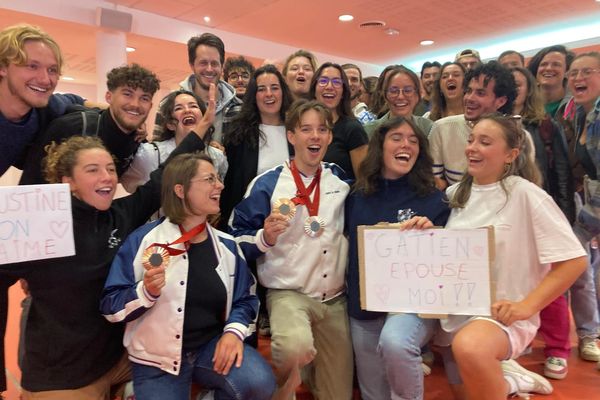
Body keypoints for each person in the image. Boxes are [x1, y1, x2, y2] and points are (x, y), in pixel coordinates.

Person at [0, 84, 216, 399]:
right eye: (93, 170)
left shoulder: (118, 214)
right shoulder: (40, 222)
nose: (107, 178)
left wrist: (199, 131)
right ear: (67, 181)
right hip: (62, 376)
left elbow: (159, 182)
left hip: (118, 358)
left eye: (111, 169)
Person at [101, 152, 276, 400]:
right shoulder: (143, 240)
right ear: (181, 190)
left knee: (258, 382)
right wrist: (145, 292)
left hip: (209, 349)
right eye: (209, 179)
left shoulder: (226, 245)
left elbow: (245, 299)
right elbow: (111, 306)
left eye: (218, 178)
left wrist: (233, 332)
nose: (221, 185)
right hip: (156, 361)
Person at [442, 114, 587, 399]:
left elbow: (574, 260)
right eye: (471, 140)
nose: (472, 148)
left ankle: (510, 380)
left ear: (511, 154)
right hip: (455, 312)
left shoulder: (527, 195)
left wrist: (525, 307)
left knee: (472, 347)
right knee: (469, 388)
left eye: (485, 142)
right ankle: (509, 379)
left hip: (501, 316)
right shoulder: (455, 194)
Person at [230, 100, 354, 399]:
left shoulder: (341, 180)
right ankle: (287, 386)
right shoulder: (267, 184)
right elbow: (234, 238)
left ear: (329, 137)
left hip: (335, 298)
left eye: (322, 130)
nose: (315, 136)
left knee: (338, 394)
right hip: (289, 293)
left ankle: (313, 371)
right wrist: (265, 238)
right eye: (306, 129)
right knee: (295, 347)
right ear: (291, 136)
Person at [345, 116, 450, 400]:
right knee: (373, 393)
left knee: (395, 343)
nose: (406, 144)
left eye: (413, 140)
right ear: (380, 145)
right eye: (397, 137)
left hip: (411, 305)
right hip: (364, 307)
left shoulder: (434, 200)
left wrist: (433, 235)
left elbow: (446, 263)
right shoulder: (356, 196)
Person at [511, 65, 577, 379]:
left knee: (548, 281)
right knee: (517, 280)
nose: (513, 89)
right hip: (502, 208)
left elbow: (560, 171)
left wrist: (564, 212)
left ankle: (558, 348)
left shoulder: (542, 125)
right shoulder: (490, 122)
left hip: (538, 202)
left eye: (519, 83)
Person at [19, 63, 161, 185]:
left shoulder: (138, 142)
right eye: (127, 94)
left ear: (151, 105)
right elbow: (31, 186)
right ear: (109, 97)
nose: (135, 104)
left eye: (144, 98)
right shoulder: (71, 127)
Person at [0, 23, 86, 177]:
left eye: (52, 70)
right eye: (32, 66)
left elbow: (78, 100)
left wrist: (126, 118)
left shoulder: (44, 108)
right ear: (3, 67)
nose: (45, 80)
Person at [220, 64, 293, 230]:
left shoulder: (296, 132)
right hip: (250, 227)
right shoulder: (238, 134)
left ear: (283, 92)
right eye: (261, 89)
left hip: (291, 224)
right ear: (253, 95)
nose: (269, 94)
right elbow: (231, 186)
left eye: (274, 88)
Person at [429, 61, 517, 190]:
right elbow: (435, 183)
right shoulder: (442, 128)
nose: (469, 98)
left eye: (480, 93)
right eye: (468, 91)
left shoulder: (517, 136)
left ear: (501, 101)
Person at [121, 89, 227, 193]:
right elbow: (128, 183)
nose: (187, 110)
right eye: (178, 108)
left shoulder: (217, 156)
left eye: (193, 106)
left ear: (204, 119)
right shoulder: (150, 154)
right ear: (170, 125)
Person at [568, 52, 600, 369]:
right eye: (573, 73)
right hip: (590, 204)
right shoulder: (582, 113)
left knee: (582, 270)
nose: (578, 78)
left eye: (586, 71)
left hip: (592, 210)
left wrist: (582, 226)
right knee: (587, 272)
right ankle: (590, 334)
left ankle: (590, 334)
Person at [174, 33, 242, 144]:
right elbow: (160, 153)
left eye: (214, 63)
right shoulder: (172, 104)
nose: (209, 69)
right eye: (203, 63)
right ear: (192, 65)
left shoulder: (239, 108)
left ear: (221, 66)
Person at [310, 62, 368, 180]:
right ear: (314, 89)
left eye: (337, 82)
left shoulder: (353, 129)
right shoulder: (301, 126)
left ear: (343, 92)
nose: (329, 86)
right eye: (323, 81)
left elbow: (363, 182)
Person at [365, 66, 434, 140]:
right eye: (393, 91)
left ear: (417, 95)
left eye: (408, 90)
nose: (400, 97)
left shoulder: (429, 128)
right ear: (385, 95)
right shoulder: (369, 131)